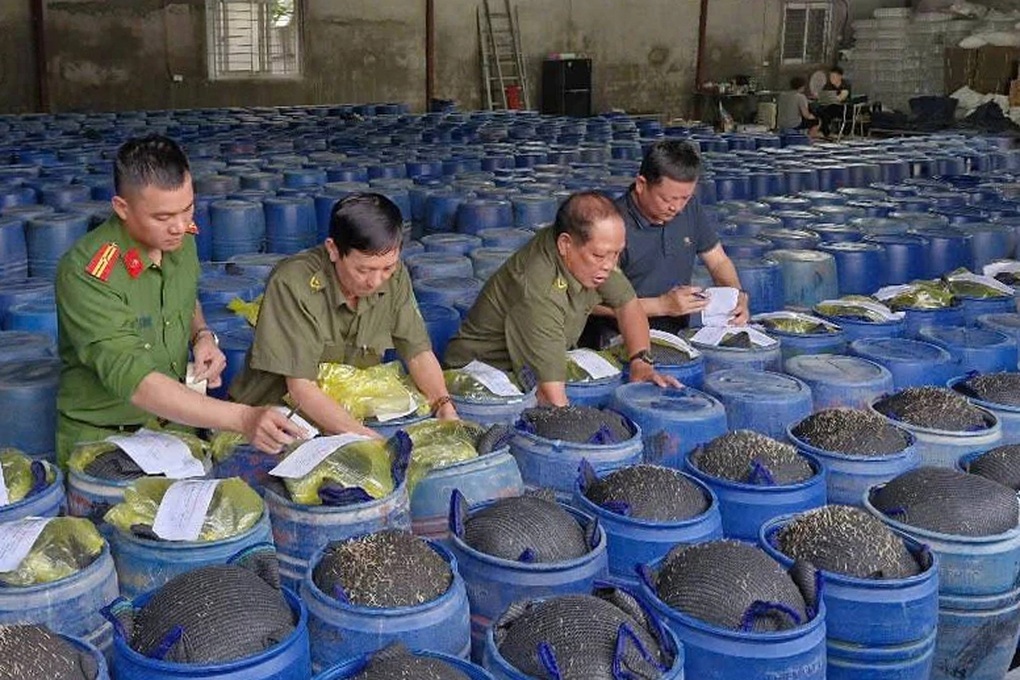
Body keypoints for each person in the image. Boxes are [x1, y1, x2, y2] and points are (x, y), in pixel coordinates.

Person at [55, 134, 304, 467]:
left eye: (188, 209)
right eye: (162, 217)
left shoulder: (180, 240)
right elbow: (136, 381)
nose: (179, 226)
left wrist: (202, 336)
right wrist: (244, 418)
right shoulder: (88, 272)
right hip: (105, 442)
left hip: (174, 429)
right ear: (122, 208)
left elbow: (183, 298)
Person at [230, 193, 457, 436]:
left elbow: (418, 353)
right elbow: (300, 388)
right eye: (363, 270)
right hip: (271, 420)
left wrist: (443, 404)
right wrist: (369, 440)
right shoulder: (293, 283)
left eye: (387, 268)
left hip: (343, 417)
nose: (376, 281)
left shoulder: (395, 276)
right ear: (333, 250)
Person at [443, 191, 680, 407]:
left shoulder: (591, 255)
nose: (609, 265)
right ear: (565, 244)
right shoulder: (538, 289)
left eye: (617, 253)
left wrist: (641, 361)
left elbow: (627, 304)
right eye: (600, 255)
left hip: (539, 354)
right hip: (479, 377)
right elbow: (550, 397)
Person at [582, 140, 749, 346]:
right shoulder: (610, 226)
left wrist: (736, 295)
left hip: (675, 337)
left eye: (685, 198)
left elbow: (718, 261)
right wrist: (661, 306)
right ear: (641, 185)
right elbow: (589, 302)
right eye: (667, 199)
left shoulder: (690, 209)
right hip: (617, 339)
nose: (677, 208)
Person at [817, 66, 852, 138]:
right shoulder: (828, 85)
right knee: (819, 110)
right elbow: (824, 95)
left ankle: (829, 132)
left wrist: (831, 98)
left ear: (840, 77)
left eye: (833, 77)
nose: (831, 78)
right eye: (830, 76)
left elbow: (842, 97)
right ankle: (824, 132)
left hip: (843, 107)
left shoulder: (845, 85)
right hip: (829, 105)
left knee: (827, 111)